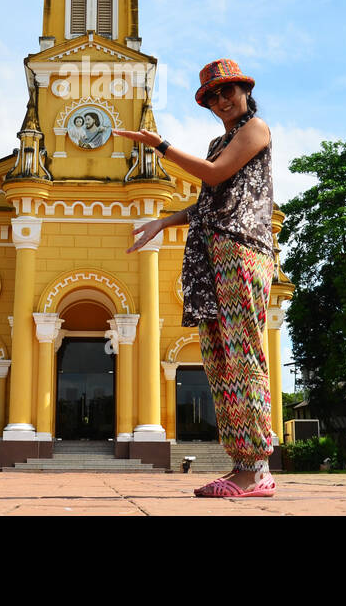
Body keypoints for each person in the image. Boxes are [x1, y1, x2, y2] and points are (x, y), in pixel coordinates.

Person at [111, 58, 277, 498]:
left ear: (245, 91)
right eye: (214, 96)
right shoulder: (216, 140)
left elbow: (216, 174)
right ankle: (240, 462)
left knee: (244, 356)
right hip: (208, 256)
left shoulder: (255, 130)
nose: (222, 101)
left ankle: (258, 468)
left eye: (229, 91)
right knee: (219, 361)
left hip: (241, 250)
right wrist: (166, 221)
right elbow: (209, 201)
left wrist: (160, 146)